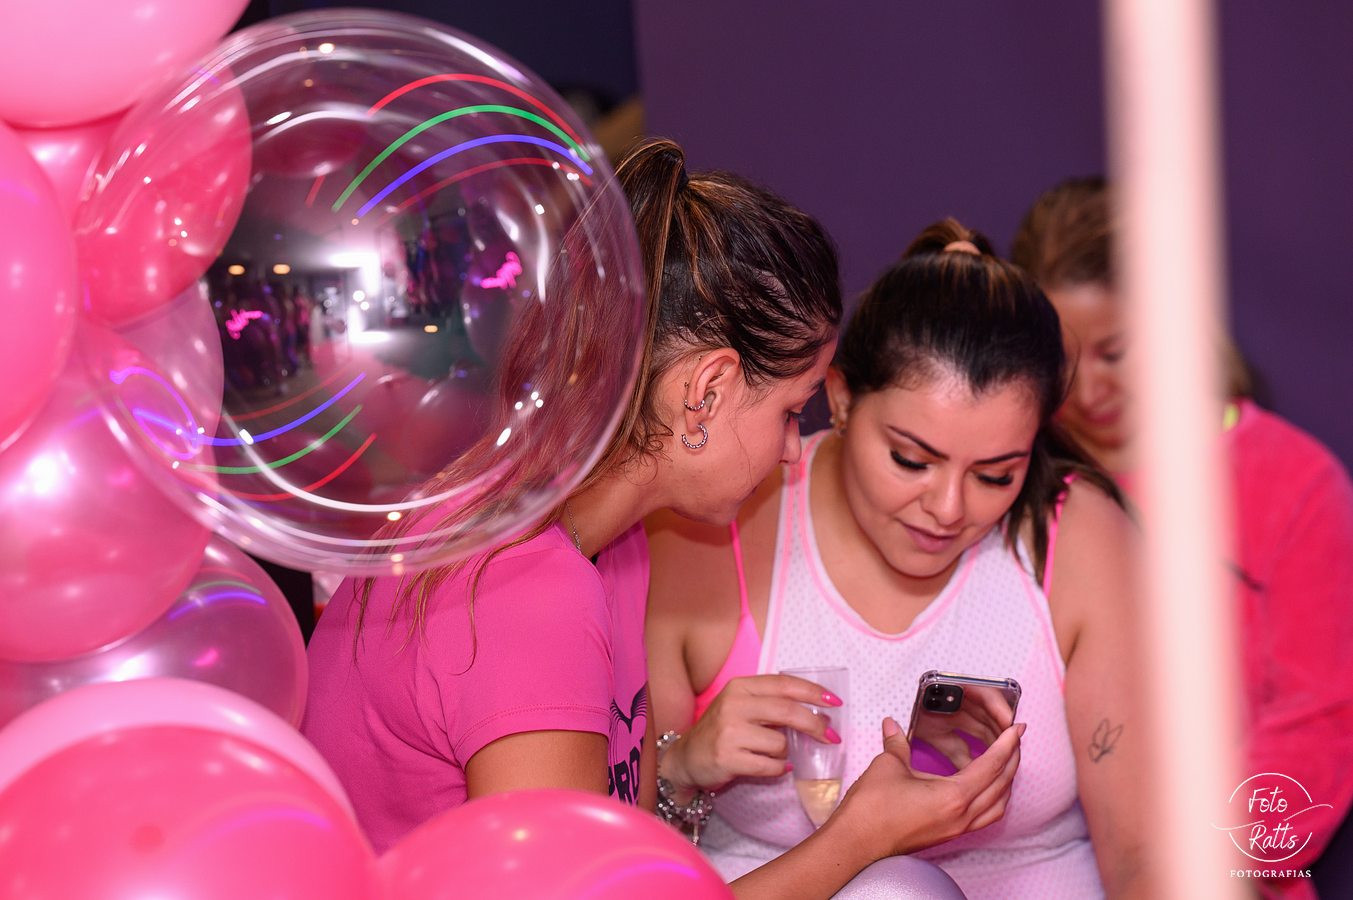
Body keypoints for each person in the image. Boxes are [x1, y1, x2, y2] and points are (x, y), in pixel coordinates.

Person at [303, 141, 1021, 897]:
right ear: (704, 394)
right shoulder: (527, 593)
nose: (791, 451)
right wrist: (859, 839)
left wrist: (685, 767)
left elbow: (633, 857)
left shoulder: (615, 546)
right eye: (790, 411)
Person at [646, 220, 1154, 898]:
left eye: (996, 474)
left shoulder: (1080, 534)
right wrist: (683, 768)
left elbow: (1144, 856)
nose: (947, 508)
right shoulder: (715, 529)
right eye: (911, 460)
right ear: (840, 398)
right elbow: (619, 859)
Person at [1012, 178, 1353, 900]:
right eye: (1064, 361)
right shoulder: (1006, 478)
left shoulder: (1293, 481)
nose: (1089, 390)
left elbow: (1322, 721)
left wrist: (1214, 859)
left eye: (1115, 351)